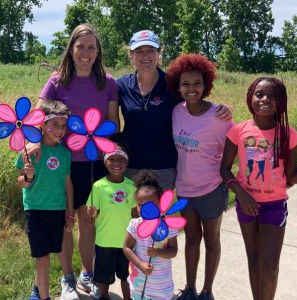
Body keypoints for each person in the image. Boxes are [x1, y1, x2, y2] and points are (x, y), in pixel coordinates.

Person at [220, 77, 297, 300]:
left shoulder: (288, 134)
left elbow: (292, 175)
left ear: (281, 103)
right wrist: (241, 194)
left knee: (269, 266)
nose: (265, 99)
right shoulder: (238, 131)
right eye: (259, 94)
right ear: (250, 98)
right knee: (254, 261)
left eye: (272, 96)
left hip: (274, 205)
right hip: (246, 204)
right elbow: (224, 169)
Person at [30, 23, 120, 298]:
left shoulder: (108, 82)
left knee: (87, 219)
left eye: (92, 47)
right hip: (64, 163)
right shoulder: (57, 81)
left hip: (94, 161)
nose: (86, 53)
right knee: (67, 220)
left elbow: (113, 121)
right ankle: (67, 278)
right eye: (80, 46)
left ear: (98, 52)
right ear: (71, 49)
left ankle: (87, 274)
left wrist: (110, 149)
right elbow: (37, 117)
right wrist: (34, 141)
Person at [116, 30, 231, 190]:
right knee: (133, 214)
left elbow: (194, 97)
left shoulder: (171, 83)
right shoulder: (121, 85)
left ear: (158, 54)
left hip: (165, 167)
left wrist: (220, 108)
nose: (145, 55)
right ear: (131, 55)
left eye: (151, 50)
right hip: (131, 166)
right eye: (139, 51)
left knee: (162, 214)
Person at [164, 53, 234, 300]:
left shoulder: (219, 116)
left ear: (206, 85)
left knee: (211, 239)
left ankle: (207, 291)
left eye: (196, 84)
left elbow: (233, 145)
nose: (191, 89)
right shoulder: (176, 112)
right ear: (178, 86)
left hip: (211, 188)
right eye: (185, 84)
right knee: (192, 239)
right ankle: (191, 288)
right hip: (184, 188)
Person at [15, 101, 75, 300]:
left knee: (48, 254)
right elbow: (20, 183)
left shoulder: (65, 153)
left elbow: (68, 184)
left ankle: (37, 290)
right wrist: (29, 176)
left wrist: (70, 212)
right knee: (43, 260)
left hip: (57, 211)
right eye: (54, 125)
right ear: (42, 125)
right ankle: (45, 297)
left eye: (63, 125)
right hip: (36, 211)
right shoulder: (29, 151)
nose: (59, 130)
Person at [87, 133, 137, 300]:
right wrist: (92, 214)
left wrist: (137, 237)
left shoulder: (132, 186)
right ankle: (103, 296)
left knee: (126, 277)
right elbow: (93, 217)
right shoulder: (98, 186)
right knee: (104, 277)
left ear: (127, 161)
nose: (116, 163)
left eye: (121, 159)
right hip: (104, 242)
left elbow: (135, 215)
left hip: (126, 244)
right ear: (104, 161)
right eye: (112, 159)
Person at [124, 169, 179, 300]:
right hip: (139, 282)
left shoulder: (168, 225)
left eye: (150, 204)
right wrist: (140, 265)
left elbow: (173, 251)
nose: (144, 209)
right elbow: (126, 248)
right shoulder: (135, 224)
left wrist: (158, 253)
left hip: (161, 286)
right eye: (140, 205)